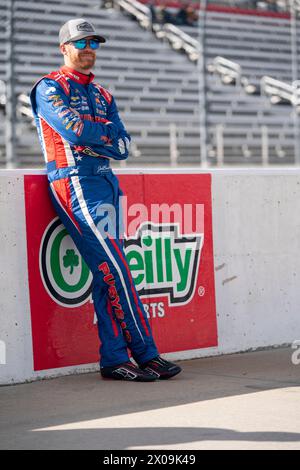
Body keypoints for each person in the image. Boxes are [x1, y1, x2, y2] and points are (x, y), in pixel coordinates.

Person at [30, 18, 182, 382]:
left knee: (106, 276)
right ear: (64, 47)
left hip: (107, 185)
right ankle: (146, 353)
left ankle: (114, 359)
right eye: (80, 44)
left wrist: (97, 138)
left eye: (93, 44)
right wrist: (103, 136)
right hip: (75, 184)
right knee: (116, 269)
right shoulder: (49, 87)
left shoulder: (103, 95)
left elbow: (124, 146)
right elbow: (73, 130)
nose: (87, 51)